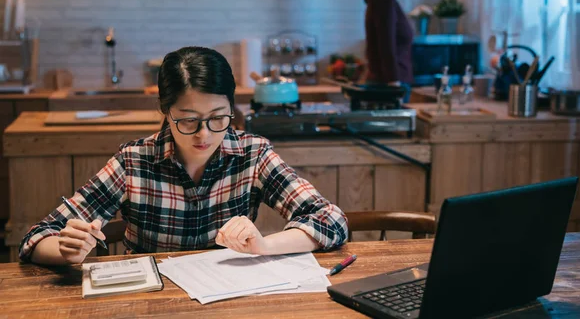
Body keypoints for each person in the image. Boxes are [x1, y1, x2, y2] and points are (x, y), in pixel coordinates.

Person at [19, 47, 348, 265]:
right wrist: (66, 250)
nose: (204, 135)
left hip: (230, 300)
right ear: (165, 111)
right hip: (150, 303)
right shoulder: (133, 162)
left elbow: (331, 220)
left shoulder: (253, 154)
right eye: (188, 120)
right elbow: (36, 238)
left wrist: (263, 246)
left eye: (219, 117)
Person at [364, 0, 416, 102]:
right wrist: (395, 88)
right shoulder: (384, 0)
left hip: (386, 85)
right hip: (388, 88)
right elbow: (387, 48)